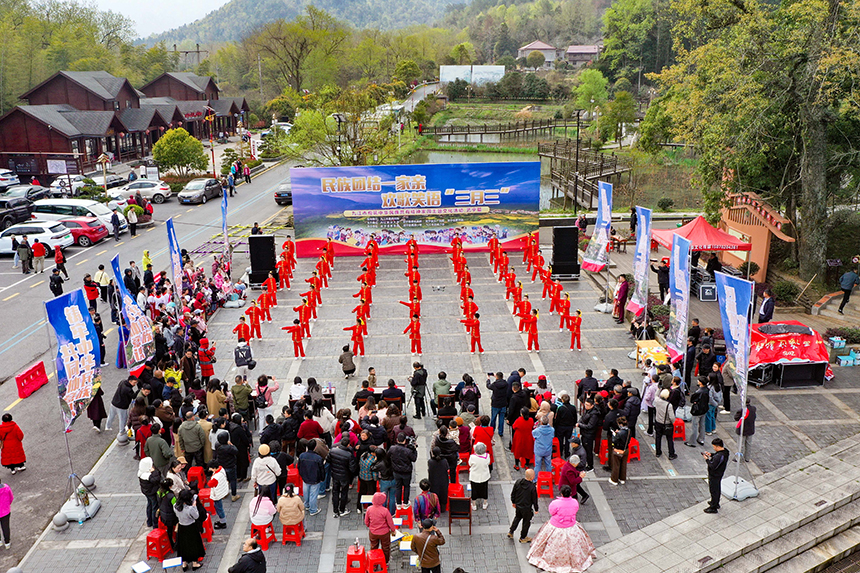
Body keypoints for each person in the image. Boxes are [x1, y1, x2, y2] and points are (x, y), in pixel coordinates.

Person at [526, 485, 596, 572]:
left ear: (561, 493)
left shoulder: (555, 503)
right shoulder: (574, 502)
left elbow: (551, 512)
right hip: (571, 526)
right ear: (570, 493)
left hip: (556, 526)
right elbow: (575, 510)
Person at [174, 489, 205, 570]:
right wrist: (194, 506)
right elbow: (196, 516)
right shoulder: (190, 509)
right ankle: (195, 563)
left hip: (181, 527)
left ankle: (184, 564)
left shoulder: (175, 506)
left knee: (183, 545)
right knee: (193, 544)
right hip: (191, 527)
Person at [328, 437, 358, 518]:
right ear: (348, 445)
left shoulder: (332, 451)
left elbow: (328, 460)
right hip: (344, 476)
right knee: (344, 493)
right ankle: (342, 510)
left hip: (335, 475)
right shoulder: (348, 455)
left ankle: (335, 510)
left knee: (335, 492)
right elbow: (352, 468)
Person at [365, 491, 396, 563]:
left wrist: (370, 526)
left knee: (373, 547)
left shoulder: (369, 509)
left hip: (373, 532)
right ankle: (385, 562)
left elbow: (366, 521)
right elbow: (390, 522)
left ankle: (374, 563)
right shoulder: (385, 511)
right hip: (384, 533)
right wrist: (393, 530)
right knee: (386, 548)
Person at [297, 439, 325, 516]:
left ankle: (306, 504)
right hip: (315, 479)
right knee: (313, 495)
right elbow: (322, 470)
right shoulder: (318, 458)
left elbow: (299, 466)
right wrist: (322, 478)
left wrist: (302, 474)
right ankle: (313, 510)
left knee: (306, 492)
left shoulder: (302, 456)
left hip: (305, 477)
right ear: (315, 447)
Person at [390, 432, 417, 509]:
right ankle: (405, 503)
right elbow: (414, 459)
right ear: (405, 440)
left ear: (397, 440)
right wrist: (414, 450)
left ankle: (398, 503)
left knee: (398, 487)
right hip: (406, 472)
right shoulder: (408, 451)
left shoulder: (392, 448)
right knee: (406, 487)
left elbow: (388, 456)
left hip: (396, 471)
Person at [703, 438, 730, 513]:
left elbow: (712, 466)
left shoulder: (719, 456)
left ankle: (713, 507)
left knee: (714, 490)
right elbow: (717, 455)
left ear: (718, 446)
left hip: (715, 475)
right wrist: (711, 454)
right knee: (716, 489)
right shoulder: (725, 452)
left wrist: (707, 459)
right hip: (719, 474)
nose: (713, 448)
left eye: (714, 447)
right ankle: (715, 502)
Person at [653, 389, 677, 460]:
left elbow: (655, 395)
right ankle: (671, 454)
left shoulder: (657, 401)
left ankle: (658, 452)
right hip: (667, 424)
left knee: (658, 438)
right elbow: (672, 417)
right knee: (669, 439)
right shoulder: (669, 405)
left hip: (658, 422)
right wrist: (673, 422)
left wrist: (659, 389)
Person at [685, 377, 709, 448]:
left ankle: (692, 442)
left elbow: (692, 400)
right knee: (702, 425)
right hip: (704, 409)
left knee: (694, 426)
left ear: (701, 382)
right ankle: (701, 439)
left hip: (697, 410)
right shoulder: (707, 390)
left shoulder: (698, 392)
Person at [139, 457, 161, 529]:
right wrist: (154, 471)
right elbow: (157, 479)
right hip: (152, 493)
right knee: (154, 507)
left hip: (147, 493)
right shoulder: (149, 476)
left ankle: (149, 521)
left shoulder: (141, 473)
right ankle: (155, 524)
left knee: (149, 505)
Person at [468, 442, 491, 510]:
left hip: (474, 476)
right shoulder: (487, 456)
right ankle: (484, 503)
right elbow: (488, 463)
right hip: (484, 476)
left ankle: (474, 505)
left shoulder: (472, 457)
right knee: (484, 489)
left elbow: (470, 464)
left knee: (474, 490)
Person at [608, 416, 630, 486]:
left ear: (620, 424)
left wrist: (614, 435)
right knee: (623, 465)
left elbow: (614, 440)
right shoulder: (628, 430)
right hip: (625, 449)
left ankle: (614, 480)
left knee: (616, 465)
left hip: (618, 450)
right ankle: (622, 478)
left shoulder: (620, 433)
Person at [734, 398, 756, 462]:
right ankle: (747, 458)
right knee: (748, 444)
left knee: (740, 445)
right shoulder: (753, 408)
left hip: (742, 429)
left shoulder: (742, 410)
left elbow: (736, 418)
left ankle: (739, 458)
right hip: (750, 429)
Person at [0, 478, 11, 548]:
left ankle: (0, 542)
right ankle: (7, 543)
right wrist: (7, 505)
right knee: (6, 527)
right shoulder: (6, 487)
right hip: (5, 512)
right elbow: (11, 497)